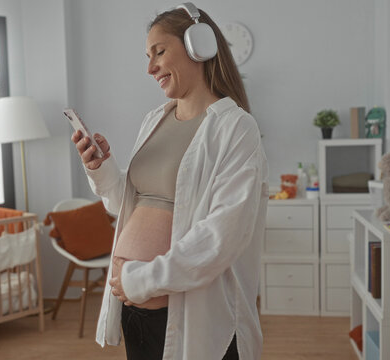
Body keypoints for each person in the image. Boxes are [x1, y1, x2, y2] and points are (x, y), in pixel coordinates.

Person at [72, 3, 268, 359]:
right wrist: (101, 168)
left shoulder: (236, 128)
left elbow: (222, 235)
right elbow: (128, 206)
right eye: (147, 56)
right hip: (137, 310)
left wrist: (142, 279)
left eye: (159, 52)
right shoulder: (154, 121)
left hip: (198, 317)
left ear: (200, 45)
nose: (150, 68)